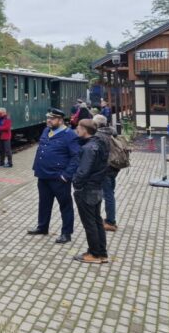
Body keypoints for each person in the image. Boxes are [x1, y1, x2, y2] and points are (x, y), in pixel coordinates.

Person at [28, 108, 81, 244]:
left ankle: (66, 233)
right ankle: (42, 227)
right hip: (43, 175)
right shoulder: (47, 131)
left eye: (52, 118)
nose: (49, 120)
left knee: (65, 205)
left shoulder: (69, 135)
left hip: (59, 177)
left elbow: (76, 157)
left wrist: (66, 175)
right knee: (44, 203)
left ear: (61, 120)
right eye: (48, 118)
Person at [72, 119, 110, 263]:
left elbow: (83, 171)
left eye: (79, 127)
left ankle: (94, 254)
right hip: (97, 187)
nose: (77, 130)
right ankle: (102, 253)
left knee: (90, 223)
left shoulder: (89, 148)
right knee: (97, 221)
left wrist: (76, 183)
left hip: (87, 189)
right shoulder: (100, 144)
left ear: (85, 130)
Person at [93, 114, 119, 232]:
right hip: (114, 167)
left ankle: (110, 222)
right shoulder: (112, 132)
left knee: (108, 195)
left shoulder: (99, 135)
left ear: (96, 124)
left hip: (106, 168)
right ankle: (111, 219)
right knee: (110, 193)